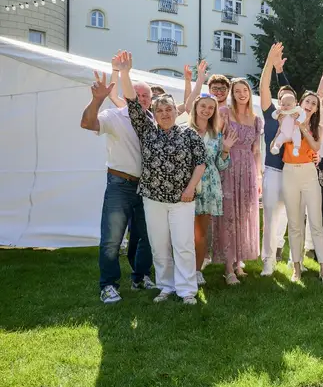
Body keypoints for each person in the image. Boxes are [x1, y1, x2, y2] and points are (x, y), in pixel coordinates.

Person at [115, 51, 206, 304]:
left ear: (176, 112)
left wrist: (190, 189)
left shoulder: (189, 135)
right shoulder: (146, 130)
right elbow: (133, 103)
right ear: (153, 113)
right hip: (153, 199)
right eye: (160, 110)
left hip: (182, 200)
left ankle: (187, 290)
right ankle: (166, 286)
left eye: (169, 109)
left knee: (183, 245)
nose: (165, 113)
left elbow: (201, 163)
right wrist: (125, 73)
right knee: (159, 245)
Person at [80, 62, 155, 303]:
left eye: (146, 96)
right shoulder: (114, 116)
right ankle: (108, 285)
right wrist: (97, 100)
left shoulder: (153, 122)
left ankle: (140, 277)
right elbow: (87, 123)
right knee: (112, 238)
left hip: (146, 188)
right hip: (120, 184)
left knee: (146, 236)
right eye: (139, 95)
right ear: (128, 95)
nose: (142, 99)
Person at [215, 78, 263, 285]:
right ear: (232, 94)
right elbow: (214, 137)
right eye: (237, 91)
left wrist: (259, 175)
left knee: (243, 214)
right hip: (228, 165)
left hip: (249, 169)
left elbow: (257, 149)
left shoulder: (256, 118)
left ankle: (238, 262)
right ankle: (228, 268)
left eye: (245, 90)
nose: (242, 94)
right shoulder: (225, 112)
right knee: (229, 215)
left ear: (249, 93)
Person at [281, 91, 323, 283]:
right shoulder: (287, 119)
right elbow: (281, 139)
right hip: (289, 172)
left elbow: (317, 147)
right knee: (294, 224)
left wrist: (303, 128)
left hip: (309, 174)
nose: (309, 105)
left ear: (317, 109)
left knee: (316, 223)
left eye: (314, 103)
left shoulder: (318, 126)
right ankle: (296, 267)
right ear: (300, 103)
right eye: (307, 101)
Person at [188, 94, 237, 286]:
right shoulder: (185, 131)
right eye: (203, 106)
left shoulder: (216, 135)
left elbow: (221, 165)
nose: (206, 110)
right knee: (181, 231)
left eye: (210, 107)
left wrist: (225, 150)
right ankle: (180, 270)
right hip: (186, 184)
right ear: (196, 107)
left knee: (200, 233)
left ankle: (197, 270)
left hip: (208, 187)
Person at [258, 43, 294, 275]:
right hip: (273, 172)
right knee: (271, 217)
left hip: (294, 172)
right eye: (282, 100)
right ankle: (268, 261)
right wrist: (269, 63)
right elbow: (263, 88)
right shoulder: (270, 115)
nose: (285, 103)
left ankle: (295, 262)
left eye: (290, 100)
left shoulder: (297, 117)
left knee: (294, 218)